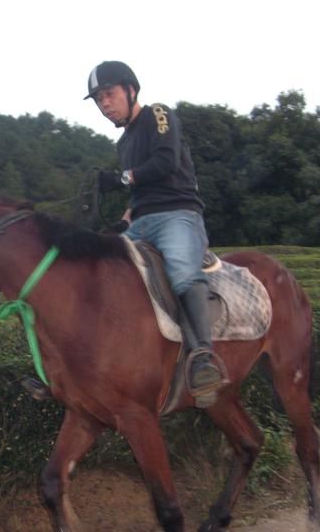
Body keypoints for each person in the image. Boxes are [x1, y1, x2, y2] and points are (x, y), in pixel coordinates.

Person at [85, 60, 223, 404]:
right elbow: (138, 193)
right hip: (142, 222)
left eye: (108, 94)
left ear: (131, 90)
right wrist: (124, 221)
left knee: (180, 271)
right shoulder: (123, 143)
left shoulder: (158, 114)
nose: (104, 104)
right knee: (103, 274)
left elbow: (164, 164)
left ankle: (203, 358)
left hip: (178, 214)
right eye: (98, 99)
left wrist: (119, 178)